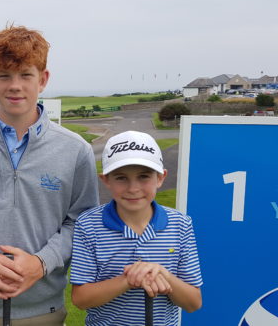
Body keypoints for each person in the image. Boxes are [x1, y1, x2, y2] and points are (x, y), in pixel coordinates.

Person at [0, 25, 99, 325]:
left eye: (26, 75)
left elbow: (82, 224)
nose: (15, 86)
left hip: (44, 312)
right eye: (4, 75)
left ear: (43, 79)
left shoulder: (75, 150)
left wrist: (42, 263)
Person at [70, 131, 203, 325]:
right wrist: (129, 279)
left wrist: (162, 273)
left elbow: (193, 302)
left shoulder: (180, 224)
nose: (133, 188)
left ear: (160, 177)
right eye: (121, 178)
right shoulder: (89, 225)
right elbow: (81, 299)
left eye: (143, 177)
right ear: (106, 179)